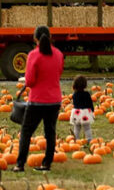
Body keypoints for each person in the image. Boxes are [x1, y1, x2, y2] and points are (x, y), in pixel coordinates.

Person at [13, 26, 64, 173]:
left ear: (35, 38)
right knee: (50, 132)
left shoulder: (34, 55)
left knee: (26, 132)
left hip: (37, 100)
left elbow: (29, 81)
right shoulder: (59, 54)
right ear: (50, 37)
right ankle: (46, 163)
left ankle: (19, 164)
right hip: (54, 100)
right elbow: (58, 73)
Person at [69, 75, 94, 141]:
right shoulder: (87, 94)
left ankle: (76, 139)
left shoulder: (74, 94)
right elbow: (90, 103)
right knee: (87, 128)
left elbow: (74, 104)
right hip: (85, 113)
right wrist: (92, 110)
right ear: (85, 84)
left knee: (76, 128)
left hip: (77, 113)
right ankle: (89, 139)